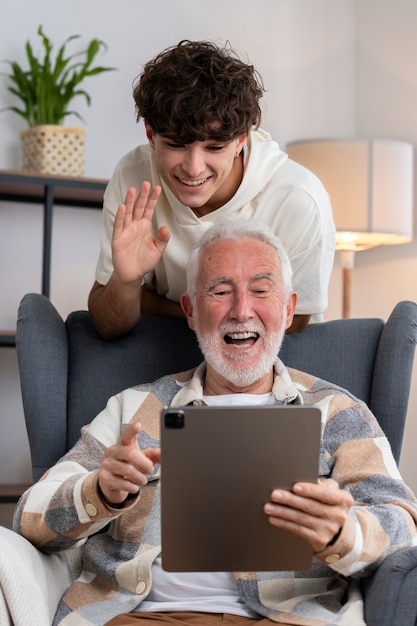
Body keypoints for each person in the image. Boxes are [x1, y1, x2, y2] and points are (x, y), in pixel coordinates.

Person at [14, 219, 417, 626]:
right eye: (221, 292)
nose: (242, 311)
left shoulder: (337, 412)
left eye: (260, 290)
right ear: (191, 311)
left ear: (289, 307)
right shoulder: (135, 407)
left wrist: (342, 533)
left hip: (287, 618)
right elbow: (29, 517)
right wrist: (100, 491)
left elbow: (405, 525)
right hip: (142, 618)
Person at [88, 40, 336, 340]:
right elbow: (107, 325)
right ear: (151, 136)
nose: (194, 168)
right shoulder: (133, 178)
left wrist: (161, 303)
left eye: (214, 147)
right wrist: (127, 283)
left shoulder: (298, 199)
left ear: (241, 141)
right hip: (162, 355)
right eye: (176, 145)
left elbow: (294, 321)